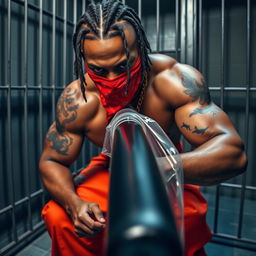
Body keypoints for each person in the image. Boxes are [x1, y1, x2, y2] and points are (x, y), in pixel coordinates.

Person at [39, 1, 247, 255]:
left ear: (141, 49)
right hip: (111, 166)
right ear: (84, 60)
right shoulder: (78, 99)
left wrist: (152, 170)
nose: (114, 79)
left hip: (168, 162)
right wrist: (74, 204)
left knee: (182, 221)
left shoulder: (173, 81)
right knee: (61, 218)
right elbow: (52, 160)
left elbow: (233, 152)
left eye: (124, 65)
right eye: (98, 70)